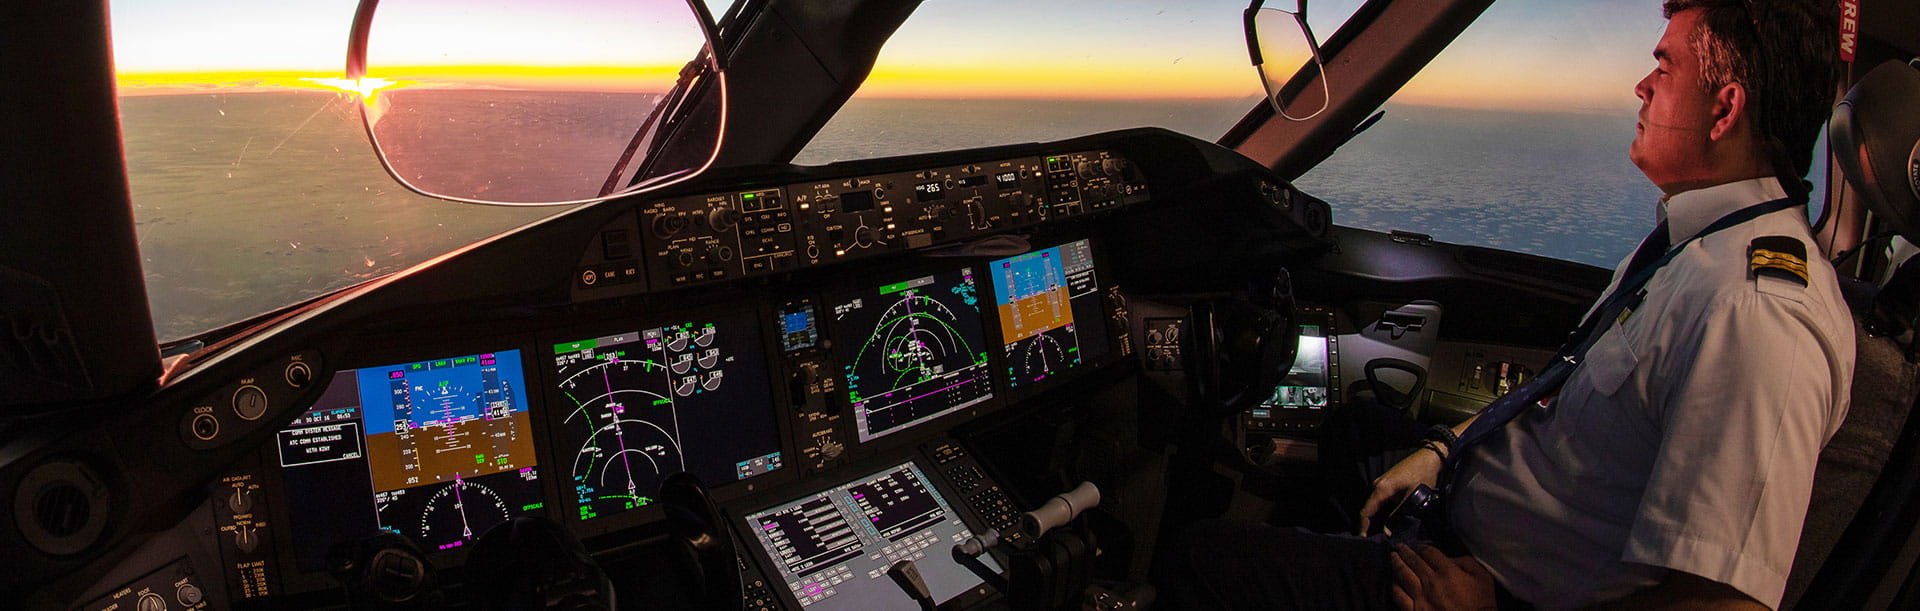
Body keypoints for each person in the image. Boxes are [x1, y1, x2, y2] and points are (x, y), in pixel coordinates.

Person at [1157, 1, 1850, 609]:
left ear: (1724, 108)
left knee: (1200, 558)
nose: (1642, 85)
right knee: (1354, 427)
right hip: (1465, 515)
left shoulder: (1758, 316)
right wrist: (1446, 449)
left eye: (1663, 67)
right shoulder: (1699, 247)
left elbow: (1720, 605)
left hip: (1494, 588)